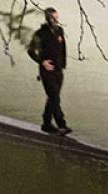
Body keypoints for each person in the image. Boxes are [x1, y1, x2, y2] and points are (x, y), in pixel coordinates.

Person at [28, 7, 72, 135]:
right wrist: (42, 62)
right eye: (54, 18)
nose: (56, 20)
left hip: (58, 70)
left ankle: (46, 123)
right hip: (46, 70)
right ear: (48, 18)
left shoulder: (59, 31)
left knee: (53, 97)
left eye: (57, 17)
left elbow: (63, 49)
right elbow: (31, 51)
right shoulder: (40, 33)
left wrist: (63, 65)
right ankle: (61, 124)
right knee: (54, 97)